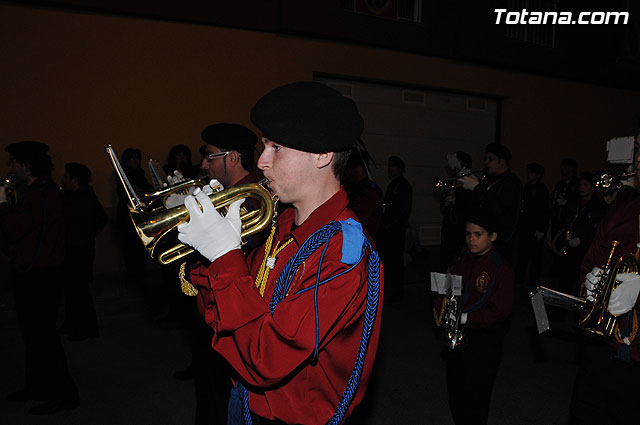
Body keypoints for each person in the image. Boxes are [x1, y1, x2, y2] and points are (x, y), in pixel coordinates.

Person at [178, 81, 383, 425]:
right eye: (264, 145)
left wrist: (226, 261)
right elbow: (224, 319)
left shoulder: (343, 253)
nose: (262, 161)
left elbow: (266, 358)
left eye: (277, 148)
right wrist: (208, 259)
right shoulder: (281, 223)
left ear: (322, 154)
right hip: (245, 405)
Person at [181, 122, 264, 425]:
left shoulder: (253, 197)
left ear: (232, 158)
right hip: (213, 307)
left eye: (210, 156)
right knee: (208, 395)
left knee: (218, 398)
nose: (203, 163)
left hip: (232, 312)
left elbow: (246, 253)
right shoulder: (223, 191)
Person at [0, 141, 79, 414]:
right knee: (34, 336)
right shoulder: (39, 192)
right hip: (38, 272)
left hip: (39, 275)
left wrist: (2, 205)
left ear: (26, 165)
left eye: (13, 163)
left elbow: (12, 230)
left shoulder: (39, 195)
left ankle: (63, 394)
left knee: (43, 336)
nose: (11, 168)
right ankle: (37, 386)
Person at [568, 149, 640, 424]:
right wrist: (591, 285)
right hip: (602, 347)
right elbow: (590, 263)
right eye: (637, 149)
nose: (638, 159)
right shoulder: (624, 210)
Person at [433, 209, 514, 425]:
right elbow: (451, 286)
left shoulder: (501, 269)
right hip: (459, 334)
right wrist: (442, 298)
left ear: (493, 236)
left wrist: (467, 318)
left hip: (484, 339)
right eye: (468, 234)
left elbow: (500, 311)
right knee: (456, 389)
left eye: (478, 234)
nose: (471, 239)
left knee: (476, 395)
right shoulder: (464, 260)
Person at [59, 162, 108, 341]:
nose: (62, 180)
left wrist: (84, 233)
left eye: (66, 176)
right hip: (77, 249)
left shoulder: (81, 198)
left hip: (78, 251)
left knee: (79, 292)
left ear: (74, 180)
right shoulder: (78, 196)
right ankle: (72, 324)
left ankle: (86, 328)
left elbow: (101, 219)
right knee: (73, 291)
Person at [459, 143, 522, 266]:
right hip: (483, 239)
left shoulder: (512, 182)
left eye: (491, 159)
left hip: (501, 241)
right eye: (485, 159)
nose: (486, 162)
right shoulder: (488, 179)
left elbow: (499, 208)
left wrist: (477, 188)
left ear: (502, 162)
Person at [115, 148, 153, 281]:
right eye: (133, 158)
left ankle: (138, 274)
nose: (136, 161)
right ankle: (135, 275)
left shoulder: (138, 174)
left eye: (138, 158)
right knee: (131, 248)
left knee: (138, 249)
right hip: (128, 215)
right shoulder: (124, 174)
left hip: (138, 214)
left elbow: (148, 188)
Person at [378, 155, 412, 301]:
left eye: (392, 165)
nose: (390, 168)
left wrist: (392, 223)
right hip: (388, 229)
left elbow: (402, 210)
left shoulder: (404, 186)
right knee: (387, 262)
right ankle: (386, 290)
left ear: (399, 168)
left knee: (396, 262)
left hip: (396, 230)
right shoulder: (392, 185)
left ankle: (397, 293)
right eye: (389, 165)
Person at [438, 151, 474, 272]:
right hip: (450, 220)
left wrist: (455, 198)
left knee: (457, 253)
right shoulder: (454, 178)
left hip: (459, 222)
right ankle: (442, 281)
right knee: (446, 250)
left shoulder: (469, 178)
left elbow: (468, 203)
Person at [515, 162, 549, 287]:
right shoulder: (527, 187)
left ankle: (532, 282)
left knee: (535, 257)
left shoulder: (542, 189)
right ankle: (519, 278)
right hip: (525, 227)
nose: (529, 175)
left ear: (538, 175)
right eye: (528, 172)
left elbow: (544, 210)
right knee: (522, 255)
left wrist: (542, 229)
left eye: (532, 173)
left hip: (536, 228)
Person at [342, 144, 383, 240]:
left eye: (347, 168)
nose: (345, 173)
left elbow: (353, 222)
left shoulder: (368, 194)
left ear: (358, 169)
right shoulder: (356, 190)